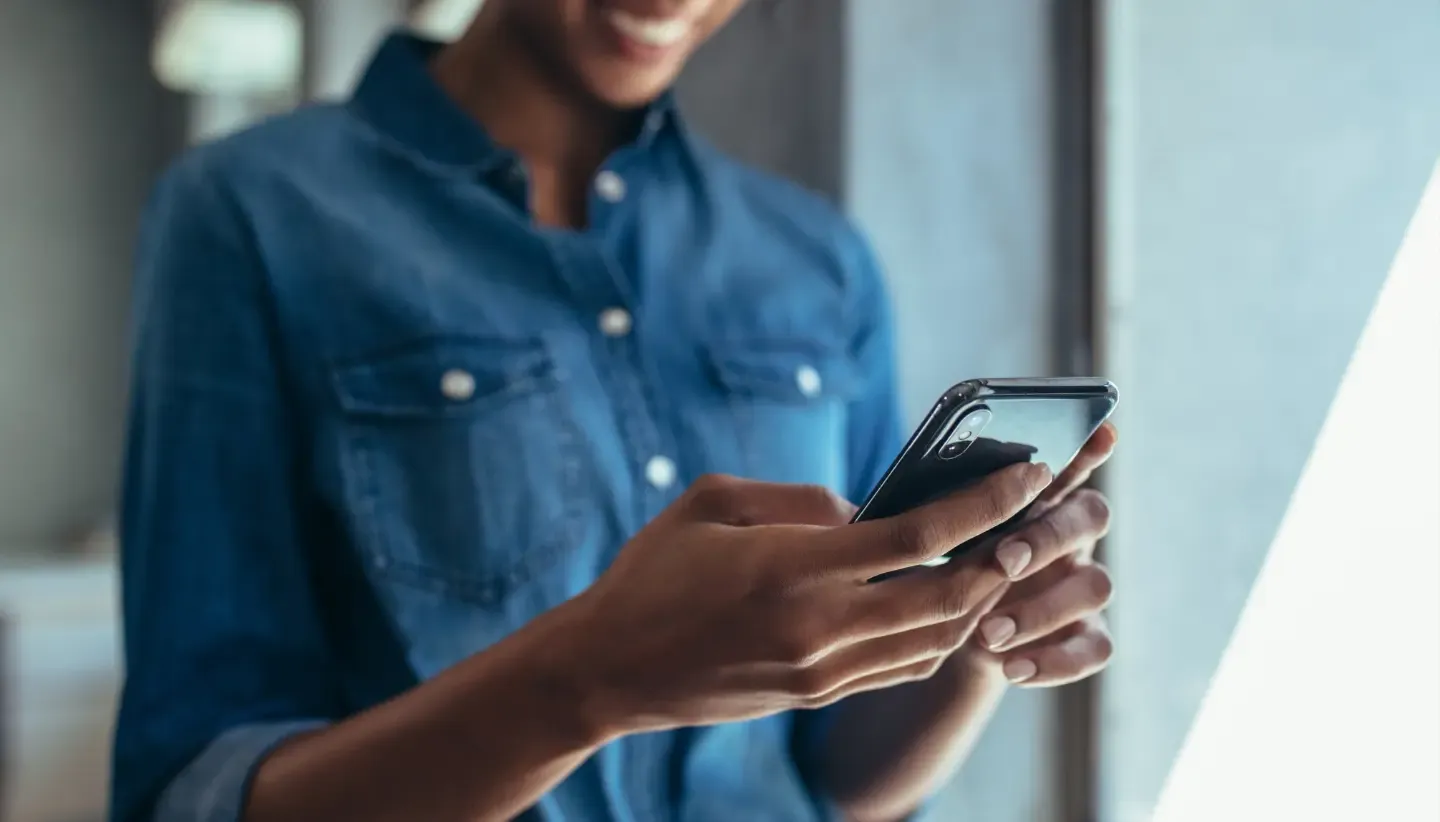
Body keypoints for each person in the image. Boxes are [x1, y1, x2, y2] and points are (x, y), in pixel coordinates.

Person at [110, 1, 1118, 821]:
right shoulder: (251, 213)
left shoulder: (814, 260)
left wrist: (968, 630)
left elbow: (835, 776)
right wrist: (590, 679)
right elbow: (199, 789)